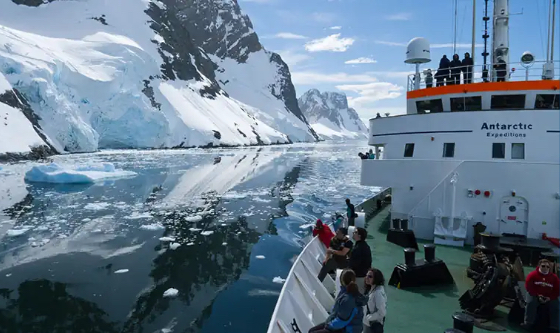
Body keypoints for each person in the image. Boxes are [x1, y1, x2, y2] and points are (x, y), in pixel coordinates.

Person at [522, 259, 560, 330]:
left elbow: (557, 291)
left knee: (556, 306)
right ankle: (528, 322)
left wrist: (550, 298)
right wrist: (537, 295)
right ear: (539, 266)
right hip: (534, 294)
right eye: (543, 266)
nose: (545, 268)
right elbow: (529, 287)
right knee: (530, 303)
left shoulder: (554, 278)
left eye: (547, 267)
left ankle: (554, 326)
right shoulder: (532, 275)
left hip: (549, 296)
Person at [363, 268, 387, 333]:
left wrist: (368, 318)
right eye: (366, 275)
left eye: (370, 276)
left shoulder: (378, 293)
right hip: (367, 323)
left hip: (372, 325)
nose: (367, 278)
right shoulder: (371, 289)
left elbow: (382, 312)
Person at [349, 228, 372, 293]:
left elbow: (355, 263)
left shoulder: (358, 248)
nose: (353, 233)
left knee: (358, 294)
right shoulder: (365, 246)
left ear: (359, 236)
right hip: (363, 274)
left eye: (355, 232)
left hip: (359, 276)